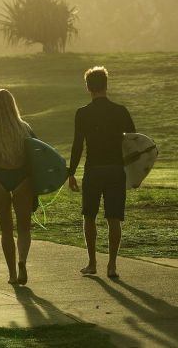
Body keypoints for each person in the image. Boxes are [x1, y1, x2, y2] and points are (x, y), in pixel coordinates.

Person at [68, 66, 135, 279]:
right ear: (106, 85)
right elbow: (134, 142)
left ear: (88, 87)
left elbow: (78, 145)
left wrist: (71, 172)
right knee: (114, 219)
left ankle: (92, 263)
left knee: (89, 216)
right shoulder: (121, 111)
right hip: (116, 170)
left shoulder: (83, 113)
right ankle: (112, 265)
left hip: (93, 170)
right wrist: (135, 173)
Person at [0, 88, 35, 285]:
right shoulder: (25, 128)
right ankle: (22, 263)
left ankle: (11, 274)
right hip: (23, 180)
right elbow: (38, 157)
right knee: (24, 228)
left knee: (6, 230)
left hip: (0, 180)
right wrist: (38, 189)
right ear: (13, 105)